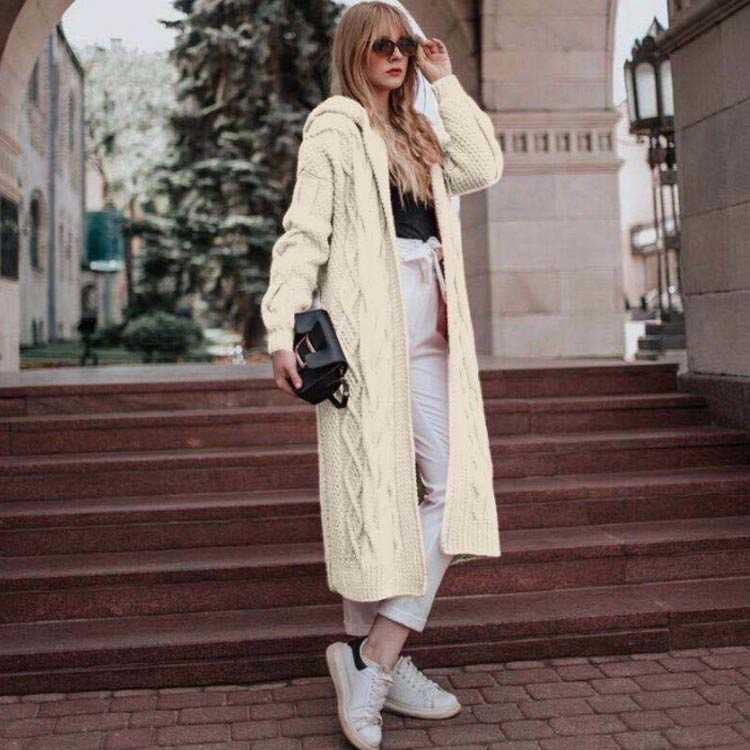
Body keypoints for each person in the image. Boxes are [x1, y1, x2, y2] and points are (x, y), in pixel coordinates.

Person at [260, 3, 504, 749]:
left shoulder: (421, 130)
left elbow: (483, 167)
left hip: (431, 322)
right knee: (376, 494)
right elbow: (305, 232)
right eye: (381, 47)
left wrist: (445, 81)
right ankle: (381, 667)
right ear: (354, 54)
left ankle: (372, 656)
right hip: (368, 327)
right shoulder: (336, 126)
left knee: (452, 484)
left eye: (404, 44)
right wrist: (283, 323)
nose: (397, 56)